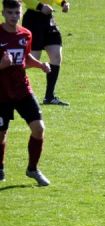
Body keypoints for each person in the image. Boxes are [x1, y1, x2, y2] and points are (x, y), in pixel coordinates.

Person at [0, 0, 51, 186]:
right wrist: (1, 65)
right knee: (1, 133)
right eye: (10, 12)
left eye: (17, 12)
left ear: (21, 13)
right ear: (3, 13)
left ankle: (33, 169)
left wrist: (40, 65)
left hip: (22, 90)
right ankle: (0, 168)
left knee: (39, 129)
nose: (14, 16)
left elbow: (25, 57)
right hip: (1, 94)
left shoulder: (26, 34)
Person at [22, 0, 69, 106]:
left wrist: (63, 3)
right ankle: (5, 72)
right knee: (33, 58)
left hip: (48, 20)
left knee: (56, 56)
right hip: (33, 19)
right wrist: (40, 6)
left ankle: (49, 97)